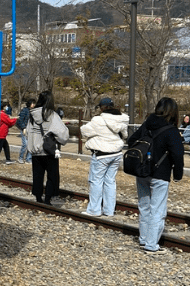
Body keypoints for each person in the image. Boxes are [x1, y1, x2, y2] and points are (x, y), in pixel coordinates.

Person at [127, 97, 184, 254]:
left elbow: (131, 140)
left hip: (142, 172)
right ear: (173, 112)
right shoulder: (172, 131)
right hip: (161, 174)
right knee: (157, 210)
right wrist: (178, 175)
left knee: (144, 207)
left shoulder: (147, 124)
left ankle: (144, 239)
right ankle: (151, 245)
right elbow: (178, 156)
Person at [79, 97, 129, 217]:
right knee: (110, 182)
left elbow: (85, 131)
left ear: (101, 108)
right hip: (116, 154)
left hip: (101, 155)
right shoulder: (122, 119)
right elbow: (125, 135)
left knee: (96, 181)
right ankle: (109, 210)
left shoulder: (98, 120)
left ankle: (94, 210)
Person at [26, 90, 69, 204]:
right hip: (49, 150)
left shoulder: (32, 115)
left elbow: (28, 132)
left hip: (35, 151)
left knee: (37, 175)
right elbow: (62, 133)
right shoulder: (52, 115)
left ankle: (38, 197)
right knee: (52, 175)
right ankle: (48, 198)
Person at [16, 99, 35, 164]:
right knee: (25, 144)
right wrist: (23, 127)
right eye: (32, 103)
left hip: (31, 129)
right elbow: (20, 120)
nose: (33, 104)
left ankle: (28, 158)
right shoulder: (24, 110)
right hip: (25, 129)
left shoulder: (33, 111)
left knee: (30, 145)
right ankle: (20, 158)